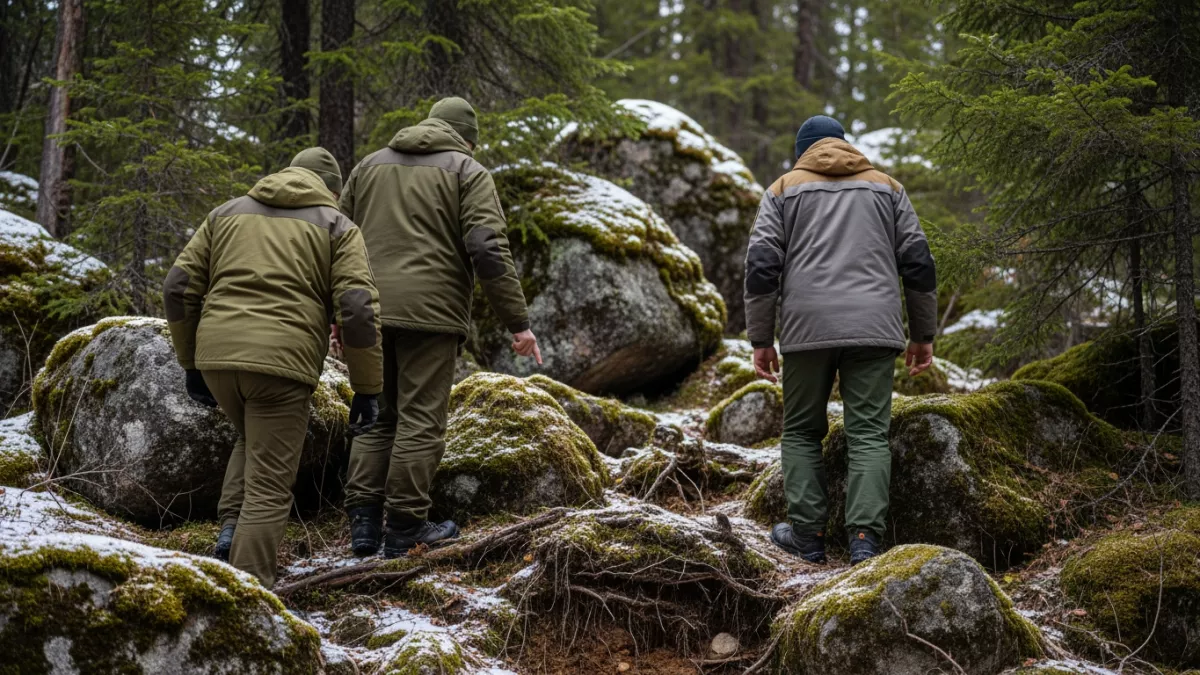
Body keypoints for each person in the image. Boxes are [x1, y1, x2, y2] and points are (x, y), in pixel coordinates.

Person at [164, 147, 383, 588]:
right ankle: (248, 597)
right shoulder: (337, 225)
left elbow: (177, 287)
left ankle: (230, 529)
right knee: (269, 488)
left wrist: (190, 362)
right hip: (281, 364)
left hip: (218, 357)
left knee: (253, 437)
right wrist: (366, 387)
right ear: (332, 190)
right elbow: (357, 308)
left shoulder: (225, 213)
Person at [338, 96, 540, 559]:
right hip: (430, 315)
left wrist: (338, 313)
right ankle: (406, 528)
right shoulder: (468, 172)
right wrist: (518, 322)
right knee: (420, 421)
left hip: (366, 310)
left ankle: (363, 529)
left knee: (373, 412)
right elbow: (487, 247)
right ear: (467, 139)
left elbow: (338, 242)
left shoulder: (368, 166)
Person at [744, 115, 937, 566]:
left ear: (802, 151)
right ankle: (865, 540)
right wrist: (923, 334)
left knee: (801, 431)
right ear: (843, 144)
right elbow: (919, 262)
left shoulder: (783, 189)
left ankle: (808, 537)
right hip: (875, 328)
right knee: (869, 434)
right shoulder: (887, 188)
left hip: (806, 329)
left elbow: (760, 267)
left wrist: (760, 338)